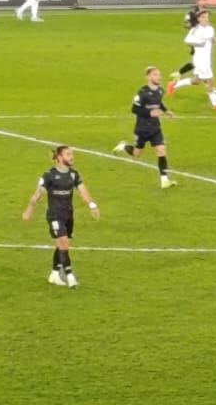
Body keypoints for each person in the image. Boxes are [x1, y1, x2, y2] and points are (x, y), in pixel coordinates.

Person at [22, 145, 99, 288]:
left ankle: (55, 274)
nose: (72, 157)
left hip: (68, 215)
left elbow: (83, 190)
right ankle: (70, 277)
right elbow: (38, 194)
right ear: (59, 157)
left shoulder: (73, 174)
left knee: (61, 245)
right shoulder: (49, 175)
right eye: (68, 154)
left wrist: (92, 205)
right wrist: (29, 209)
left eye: (72, 154)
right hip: (54, 215)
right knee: (64, 244)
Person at [114, 66, 177, 189]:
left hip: (155, 128)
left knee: (161, 151)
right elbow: (134, 109)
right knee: (137, 154)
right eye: (155, 75)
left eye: (159, 74)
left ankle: (164, 180)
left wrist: (166, 111)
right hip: (142, 129)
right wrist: (149, 113)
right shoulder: (142, 93)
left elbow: (159, 103)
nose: (158, 77)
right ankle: (123, 146)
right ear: (148, 77)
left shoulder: (160, 91)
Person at [169, 9, 216, 110]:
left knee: (196, 80)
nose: (206, 19)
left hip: (205, 59)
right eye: (204, 17)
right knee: (210, 80)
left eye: (207, 17)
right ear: (198, 19)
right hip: (201, 61)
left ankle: (174, 85)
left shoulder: (210, 28)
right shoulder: (195, 30)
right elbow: (186, 41)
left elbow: (210, 37)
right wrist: (198, 43)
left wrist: (214, 40)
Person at [170, 0, 210, 83]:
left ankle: (179, 74)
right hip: (196, 40)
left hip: (203, 40)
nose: (206, 2)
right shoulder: (192, 12)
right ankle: (210, 88)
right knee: (202, 63)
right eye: (204, 0)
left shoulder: (207, 12)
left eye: (207, 0)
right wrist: (193, 28)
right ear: (198, 1)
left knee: (199, 63)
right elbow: (185, 23)